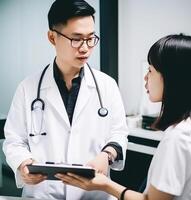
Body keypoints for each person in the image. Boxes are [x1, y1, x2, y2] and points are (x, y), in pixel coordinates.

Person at [3, 0, 128, 199]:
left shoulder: (107, 85)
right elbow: (14, 140)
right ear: (52, 37)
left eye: (91, 38)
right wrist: (23, 163)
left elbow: (119, 133)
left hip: (94, 195)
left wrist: (107, 154)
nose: (85, 48)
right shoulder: (27, 88)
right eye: (76, 39)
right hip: (43, 194)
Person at [55, 33, 191, 200]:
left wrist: (105, 183)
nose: (145, 77)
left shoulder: (179, 137)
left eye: (150, 70)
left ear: (172, 78)